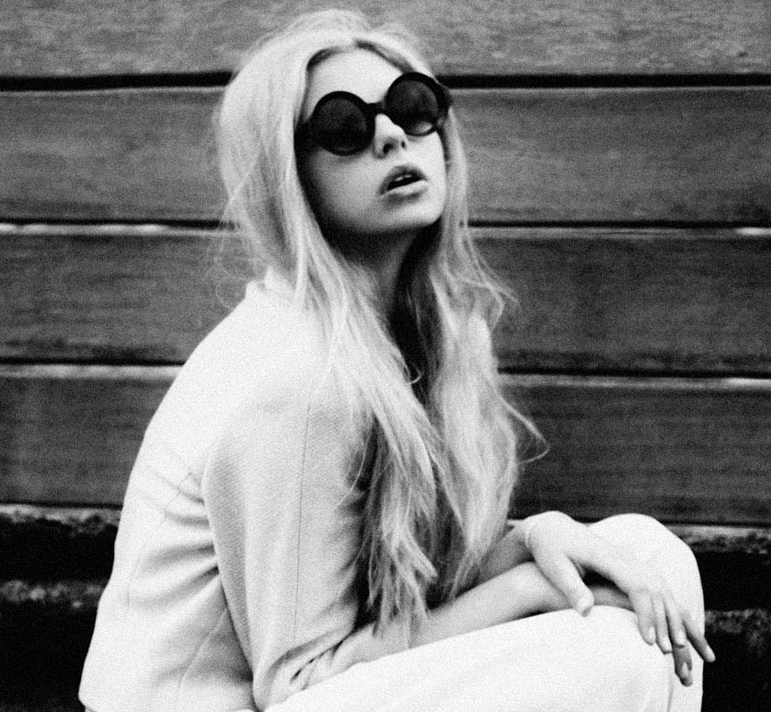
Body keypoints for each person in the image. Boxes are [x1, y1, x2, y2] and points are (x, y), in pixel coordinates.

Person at [79, 9, 715, 712]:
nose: (391, 136)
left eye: (413, 109)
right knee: (614, 648)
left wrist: (539, 537)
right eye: (344, 128)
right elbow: (299, 682)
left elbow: (418, 587)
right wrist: (526, 588)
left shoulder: (422, 332)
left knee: (647, 556)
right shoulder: (300, 379)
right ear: (289, 177)